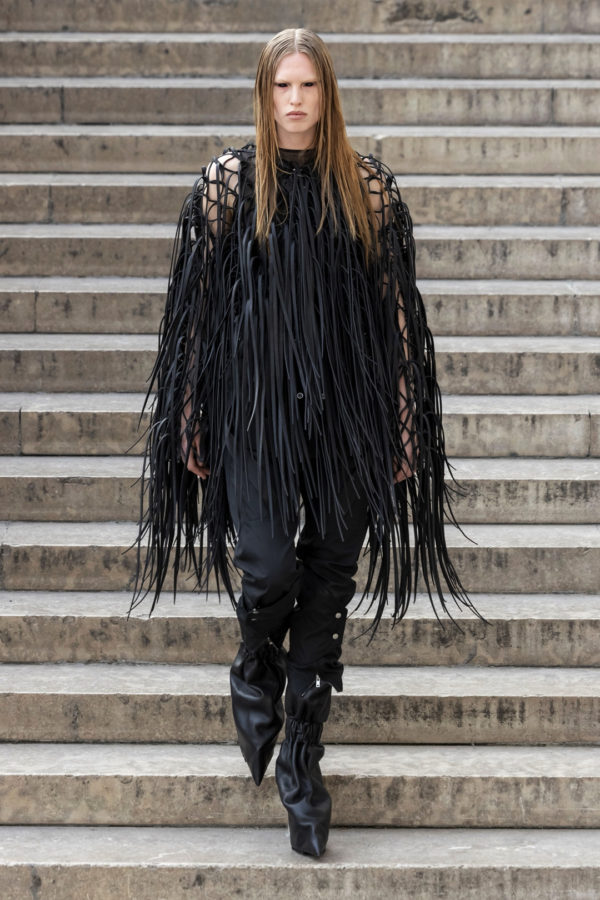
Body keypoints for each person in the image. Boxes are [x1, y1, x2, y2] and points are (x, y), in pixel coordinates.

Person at [129, 27, 486, 857]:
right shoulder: (227, 185)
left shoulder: (368, 188)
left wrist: (406, 416)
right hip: (254, 411)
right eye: (282, 86)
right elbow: (193, 314)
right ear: (264, 94)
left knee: (329, 579)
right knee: (267, 564)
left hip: (348, 410)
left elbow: (398, 315)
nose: (295, 101)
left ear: (328, 94)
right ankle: (256, 658)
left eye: (309, 86)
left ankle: (302, 759)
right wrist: (191, 409)